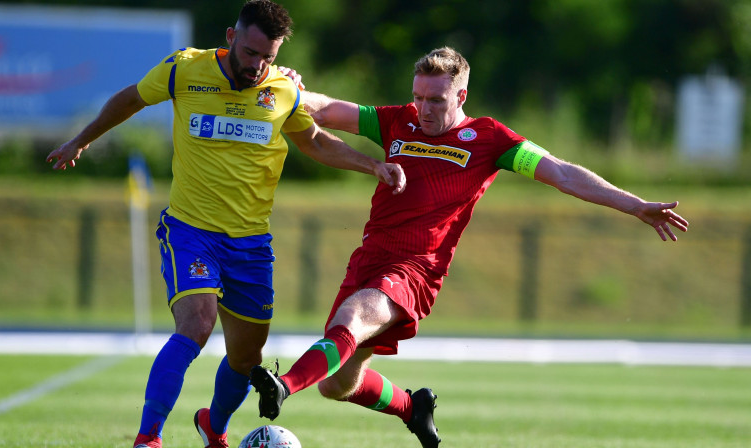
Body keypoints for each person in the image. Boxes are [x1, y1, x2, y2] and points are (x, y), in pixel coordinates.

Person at [249, 47, 690, 448]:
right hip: (368, 259)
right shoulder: (396, 120)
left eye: (435, 100)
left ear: (461, 96)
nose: (422, 108)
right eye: (418, 96)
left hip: (415, 270)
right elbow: (324, 110)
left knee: (351, 318)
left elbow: (562, 173)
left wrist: (634, 205)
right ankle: (411, 407)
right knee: (337, 383)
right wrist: (284, 84)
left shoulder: (490, 139)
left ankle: (283, 385)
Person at [46, 2, 405, 448]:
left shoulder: (282, 91)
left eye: (268, 57)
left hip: (251, 244)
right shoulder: (185, 69)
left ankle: (213, 426)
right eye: (252, 52)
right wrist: (80, 140)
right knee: (197, 324)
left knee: (246, 356)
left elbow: (313, 140)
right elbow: (131, 99)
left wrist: (374, 166)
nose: (258, 65)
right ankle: (147, 438)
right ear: (231, 37)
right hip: (190, 232)